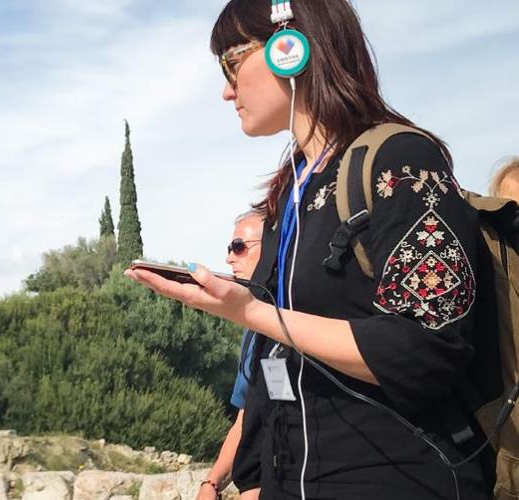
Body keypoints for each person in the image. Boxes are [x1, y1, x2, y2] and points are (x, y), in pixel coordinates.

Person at [126, 0, 490, 498]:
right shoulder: (293, 189)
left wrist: (253, 313)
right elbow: (283, 365)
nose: (226, 90)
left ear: (288, 48)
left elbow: (426, 349)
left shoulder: (399, 159)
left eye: (231, 62)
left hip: (398, 479)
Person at [198, 211, 263, 500]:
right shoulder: (252, 330)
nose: (229, 258)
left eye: (239, 247)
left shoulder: (303, 317)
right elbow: (245, 417)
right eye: (229, 248)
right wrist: (211, 484)